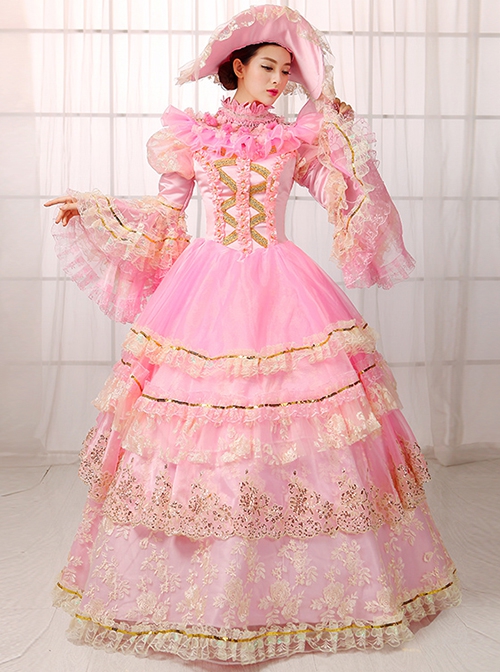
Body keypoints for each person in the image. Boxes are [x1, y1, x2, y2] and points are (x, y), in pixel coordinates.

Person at [44, 4, 460, 665]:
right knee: (205, 432)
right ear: (237, 67)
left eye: (287, 71)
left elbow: (340, 194)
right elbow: (167, 210)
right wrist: (96, 208)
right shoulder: (193, 137)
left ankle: (304, 589)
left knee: (297, 429)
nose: (279, 80)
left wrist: (342, 144)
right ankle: (198, 591)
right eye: (269, 67)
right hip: (207, 289)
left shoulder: (297, 139)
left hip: (282, 284)